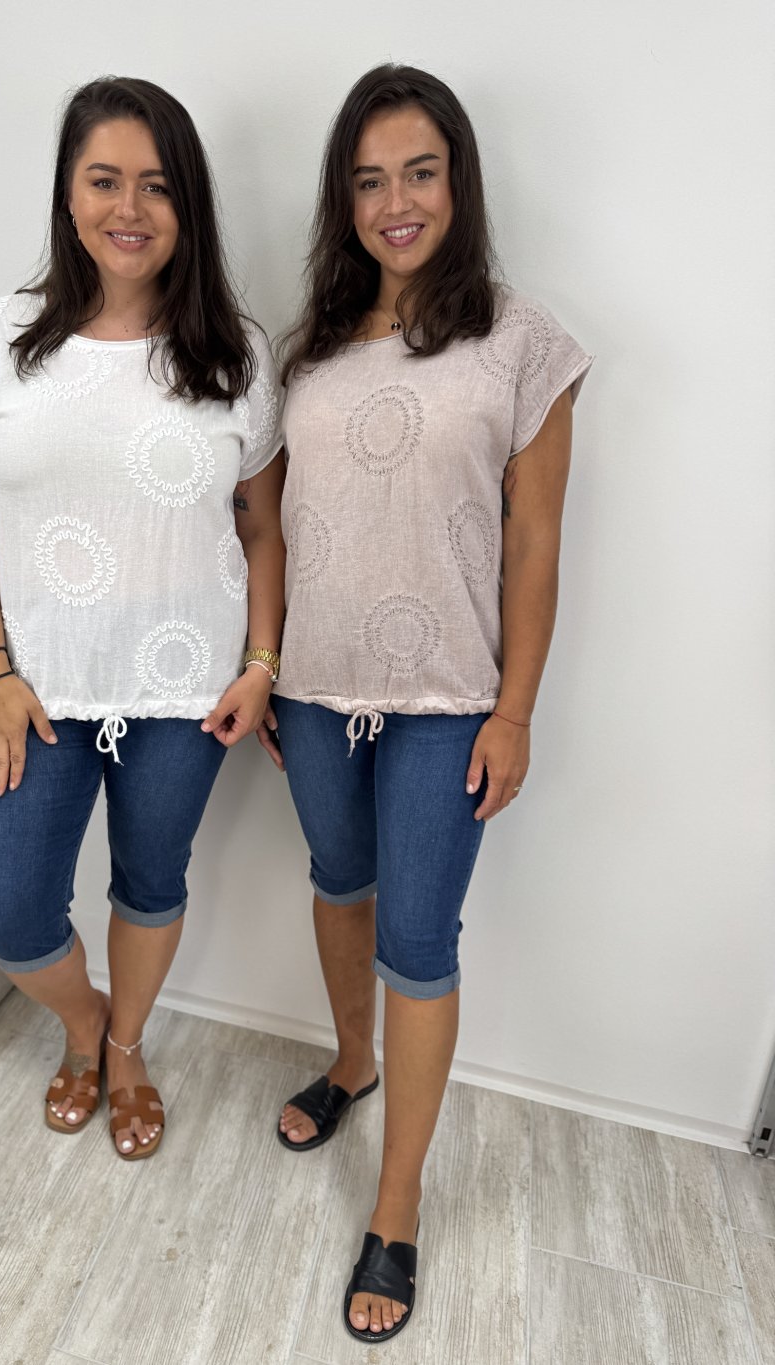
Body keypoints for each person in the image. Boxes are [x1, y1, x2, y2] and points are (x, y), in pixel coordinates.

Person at [270, 64, 592, 1340]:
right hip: (311, 689)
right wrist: (261, 665)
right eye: (368, 180)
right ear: (342, 200)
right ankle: (350, 1064)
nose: (394, 202)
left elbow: (535, 544)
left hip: (449, 699)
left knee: (417, 939)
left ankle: (395, 1207)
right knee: (336, 883)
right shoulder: (310, 347)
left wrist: (514, 711)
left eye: (418, 171)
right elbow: (272, 522)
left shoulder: (523, 342)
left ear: (458, 181)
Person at [0, 76, 285, 1160]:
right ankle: (87, 1024)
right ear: (68, 194)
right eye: (105, 180)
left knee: (150, 882)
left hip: (186, 689)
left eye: (156, 186)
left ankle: (124, 1054)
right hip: (35, 687)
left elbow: (264, 528)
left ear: (188, 205)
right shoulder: (4, 336)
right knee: (10, 911)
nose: (130, 208)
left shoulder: (234, 354)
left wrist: (262, 661)